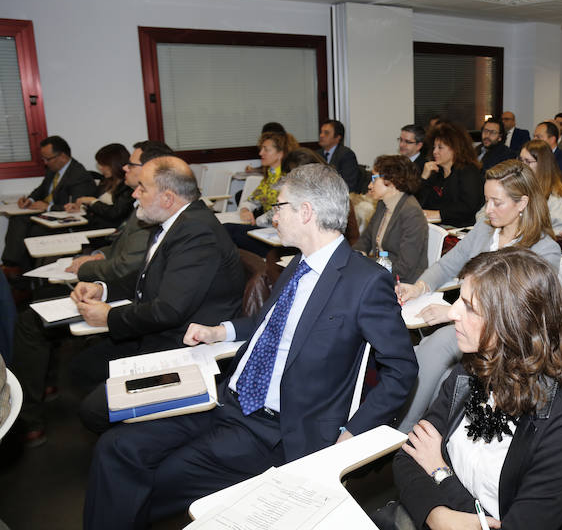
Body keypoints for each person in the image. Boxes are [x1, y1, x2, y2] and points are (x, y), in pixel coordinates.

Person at [83, 164, 418, 529]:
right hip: (227, 399)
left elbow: (402, 368)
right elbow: (269, 326)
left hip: (274, 429)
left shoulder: (365, 282)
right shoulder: (297, 266)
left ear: (305, 212)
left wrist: (353, 432)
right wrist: (220, 332)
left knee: (148, 480)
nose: (274, 215)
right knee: (117, 448)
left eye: (280, 206)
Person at [13, 156, 245, 440]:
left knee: (93, 411)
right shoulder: (173, 222)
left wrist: (108, 317)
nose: (134, 194)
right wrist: (102, 289)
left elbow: (169, 310)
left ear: (168, 197)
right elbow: (144, 276)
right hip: (157, 333)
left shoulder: (196, 233)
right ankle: (134, 429)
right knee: (81, 370)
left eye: (142, 189)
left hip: (183, 345)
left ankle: (145, 437)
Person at [387, 248, 562, 530]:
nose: (453, 312)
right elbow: (408, 456)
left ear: (513, 324)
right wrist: (437, 515)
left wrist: (440, 473)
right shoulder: (472, 370)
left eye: (470, 306)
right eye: (459, 300)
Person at [397, 160, 561, 431]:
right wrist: (419, 287)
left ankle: (402, 431)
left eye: (497, 202)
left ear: (522, 203)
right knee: (427, 355)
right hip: (473, 327)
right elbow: (450, 263)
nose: (488, 209)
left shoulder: (544, 250)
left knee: (435, 348)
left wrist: (454, 314)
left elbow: (521, 315)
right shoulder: (485, 230)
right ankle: (413, 430)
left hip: (507, 340)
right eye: (487, 201)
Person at [66, 141, 174, 285]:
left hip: (128, 285)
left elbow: (127, 265)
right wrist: (99, 255)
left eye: (131, 164)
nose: (124, 167)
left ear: (151, 168)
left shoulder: (156, 210)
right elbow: (122, 247)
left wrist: (86, 267)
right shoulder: (141, 202)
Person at [2, 135, 97, 271]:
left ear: (62, 156)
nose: (45, 162)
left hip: (62, 221)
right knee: (17, 219)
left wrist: (49, 207)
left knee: (33, 231)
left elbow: (77, 207)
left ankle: (16, 269)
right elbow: (41, 189)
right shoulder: (53, 171)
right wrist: (30, 199)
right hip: (46, 214)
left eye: (48, 159)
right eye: (43, 159)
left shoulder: (79, 175)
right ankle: (12, 266)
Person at [353, 154, 428, 283]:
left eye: (374, 179)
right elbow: (365, 239)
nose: (370, 185)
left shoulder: (411, 213)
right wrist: (357, 254)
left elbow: (405, 268)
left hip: (404, 283)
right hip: (383, 273)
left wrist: (366, 266)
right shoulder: (383, 205)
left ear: (392, 182)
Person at [417, 121, 483, 227]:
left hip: (459, 230)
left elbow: (469, 206)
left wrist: (438, 214)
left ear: (455, 149)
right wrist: (423, 178)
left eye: (440, 147)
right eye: (434, 147)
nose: (435, 152)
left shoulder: (468, 171)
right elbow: (417, 204)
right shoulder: (435, 172)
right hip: (435, 227)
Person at [64, 143, 133, 229]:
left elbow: (115, 213)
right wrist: (81, 207)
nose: (100, 168)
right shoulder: (106, 182)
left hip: (110, 232)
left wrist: (92, 201)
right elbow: (97, 208)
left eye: (103, 164)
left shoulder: (129, 186)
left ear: (115, 163)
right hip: (95, 226)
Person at [519, 139, 562, 232]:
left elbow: (559, 231)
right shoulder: (519, 185)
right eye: (521, 160)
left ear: (542, 164)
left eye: (528, 161)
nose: (522, 166)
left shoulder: (558, 195)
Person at [317, 119, 360, 191]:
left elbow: (348, 184)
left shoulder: (346, 155)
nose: (321, 135)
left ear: (337, 137)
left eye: (326, 133)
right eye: (321, 132)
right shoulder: (317, 154)